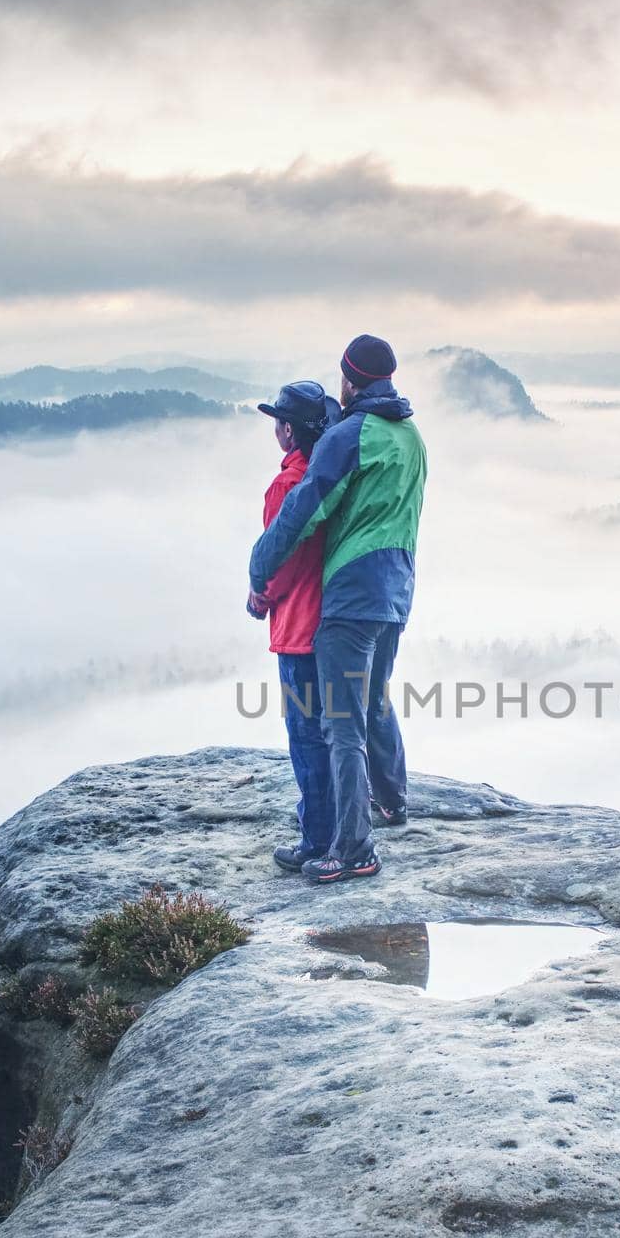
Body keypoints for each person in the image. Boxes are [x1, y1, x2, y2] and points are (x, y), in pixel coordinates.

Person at [248, 334, 427, 884]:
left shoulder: (351, 435)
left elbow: (302, 514)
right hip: (397, 589)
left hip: (349, 595)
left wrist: (258, 571)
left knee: (339, 726)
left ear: (349, 380)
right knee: (373, 699)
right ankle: (392, 802)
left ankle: (354, 850)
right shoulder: (413, 437)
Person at [247, 381, 340, 872]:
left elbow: (278, 559)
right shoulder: (330, 476)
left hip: (298, 627)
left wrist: (259, 595)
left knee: (305, 735)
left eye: (278, 422)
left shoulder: (287, 486)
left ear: (288, 432)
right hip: (333, 623)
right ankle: (333, 826)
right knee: (335, 732)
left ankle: (317, 838)